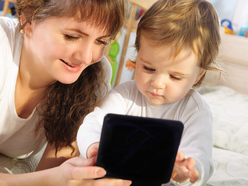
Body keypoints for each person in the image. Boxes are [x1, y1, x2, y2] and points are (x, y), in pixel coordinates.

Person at [77, 0, 221, 185]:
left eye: (175, 77)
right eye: (148, 68)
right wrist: (94, 146)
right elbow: (91, 125)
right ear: (138, 56)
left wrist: (187, 171)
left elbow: (202, 160)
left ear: (198, 76)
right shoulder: (124, 95)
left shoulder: (195, 112)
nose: (158, 83)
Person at [0, 0, 132, 185]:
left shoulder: (94, 75)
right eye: (71, 36)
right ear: (28, 18)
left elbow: (51, 175)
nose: (86, 57)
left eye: (101, 41)